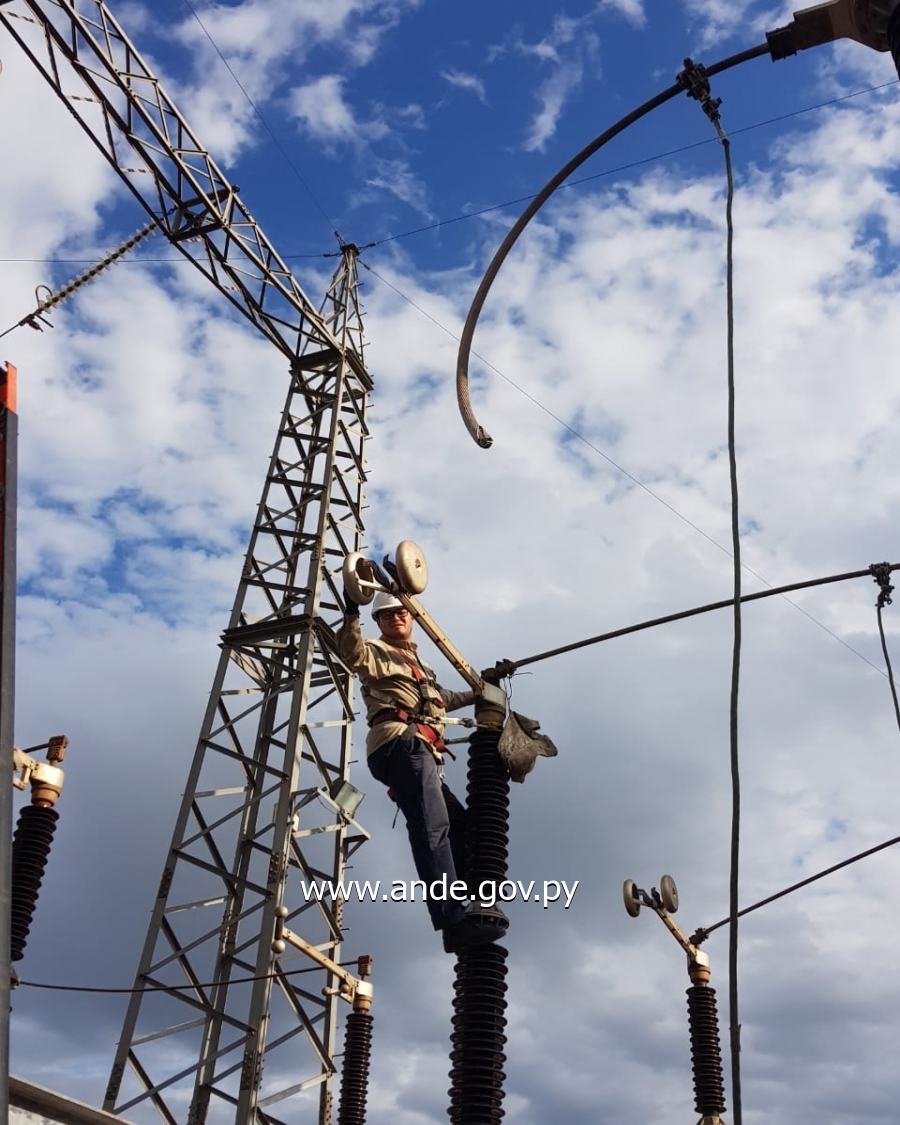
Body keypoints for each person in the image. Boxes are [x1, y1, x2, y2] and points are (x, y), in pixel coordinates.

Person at [337, 588, 505, 953]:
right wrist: (352, 609)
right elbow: (351, 654)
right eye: (387, 614)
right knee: (432, 826)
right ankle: (451, 922)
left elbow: (442, 699)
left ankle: (466, 900)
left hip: (419, 749)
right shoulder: (375, 651)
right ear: (378, 621)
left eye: (402, 612)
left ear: (412, 617)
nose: (396, 617)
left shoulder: (420, 664)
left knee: (458, 824)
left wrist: (484, 688)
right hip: (400, 743)